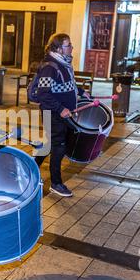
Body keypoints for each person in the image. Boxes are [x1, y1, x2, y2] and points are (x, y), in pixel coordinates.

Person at [34, 33, 89, 197]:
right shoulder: (50, 67)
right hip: (53, 113)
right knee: (59, 146)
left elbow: (68, 84)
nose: (72, 48)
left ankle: (31, 166)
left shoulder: (64, 63)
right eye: (68, 45)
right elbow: (42, 93)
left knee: (52, 144)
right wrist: (60, 108)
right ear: (58, 48)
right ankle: (56, 183)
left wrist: (81, 92)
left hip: (63, 113)